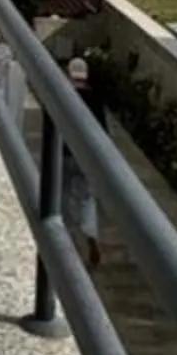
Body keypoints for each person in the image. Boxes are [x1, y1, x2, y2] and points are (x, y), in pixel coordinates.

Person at [59, 53, 105, 272]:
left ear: (69, 75)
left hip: (65, 153)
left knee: (64, 196)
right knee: (87, 198)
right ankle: (91, 233)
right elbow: (102, 132)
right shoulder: (95, 98)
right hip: (86, 157)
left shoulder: (63, 96)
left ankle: (66, 241)